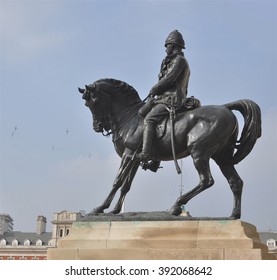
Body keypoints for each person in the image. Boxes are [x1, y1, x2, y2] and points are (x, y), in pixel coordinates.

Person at [137, 30, 191, 163]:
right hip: (163, 98)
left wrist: (155, 88)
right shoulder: (169, 61)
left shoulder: (180, 60)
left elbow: (169, 79)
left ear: (173, 45)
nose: (166, 49)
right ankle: (156, 158)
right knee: (142, 112)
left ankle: (145, 153)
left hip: (172, 99)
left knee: (149, 119)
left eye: (167, 46)